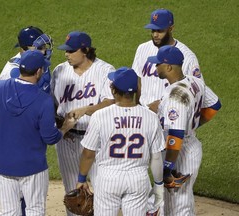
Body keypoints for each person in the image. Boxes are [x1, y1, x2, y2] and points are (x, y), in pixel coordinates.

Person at [0, 50, 76, 215]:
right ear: (39, 71)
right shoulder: (43, 100)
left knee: (8, 211)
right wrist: (65, 127)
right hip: (33, 167)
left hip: (4, 164)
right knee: (35, 210)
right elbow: (50, 137)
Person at [75, 67, 165, 216]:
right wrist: (158, 184)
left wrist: (81, 179)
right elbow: (156, 157)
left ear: (113, 90)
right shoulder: (151, 117)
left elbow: (88, 153)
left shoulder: (100, 116)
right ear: (137, 89)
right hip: (138, 178)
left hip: (108, 178)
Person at [147, 45, 221, 216]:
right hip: (189, 145)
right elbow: (215, 104)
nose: (155, 67)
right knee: (176, 200)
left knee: (179, 204)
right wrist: (193, 125)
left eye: (158, 64)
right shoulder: (194, 81)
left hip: (180, 154)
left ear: (169, 67)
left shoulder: (176, 97)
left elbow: (175, 136)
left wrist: (167, 168)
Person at [51, 31, 115, 216]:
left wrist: (86, 109)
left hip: (97, 138)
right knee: (74, 196)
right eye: (66, 51)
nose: (66, 54)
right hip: (68, 141)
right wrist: (61, 126)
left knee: (104, 190)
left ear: (85, 50)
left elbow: (110, 102)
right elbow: (53, 105)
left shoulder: (105, 70)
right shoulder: (59, 71)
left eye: (71, 51)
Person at [132, 9, 203, 110]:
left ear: (171, 28)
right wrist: (138, 108)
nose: (155, 35)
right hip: (145, 116)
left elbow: (198, 92)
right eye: (153, 30)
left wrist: (162, 104)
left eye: (160, 31)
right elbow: (139, 80)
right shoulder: (142, 48)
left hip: (171, 115)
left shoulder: (187, 56)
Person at [0, 26, 53, 94]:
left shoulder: (39, 61)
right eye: (39, 48)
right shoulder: (12, 72)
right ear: (23, 49)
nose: (44, 52)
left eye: (44, 47)